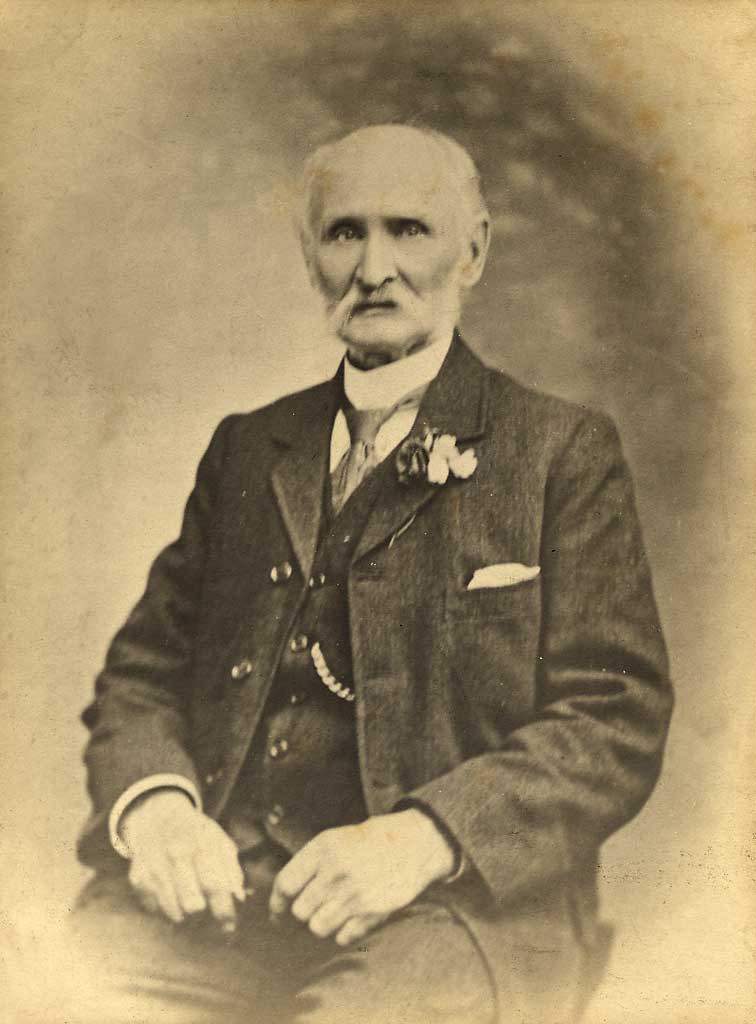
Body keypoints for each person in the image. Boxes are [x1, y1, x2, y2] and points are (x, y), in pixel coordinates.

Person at [74, 124, 673, 1024]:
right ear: (310, 257)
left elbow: (612, 717)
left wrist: (426, 837)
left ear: (473, 253)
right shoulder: (249, 448)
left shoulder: (559, 450)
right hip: (231, 898)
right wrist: (158, 812)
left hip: (456, 904)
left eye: (410, 230)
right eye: (345, 233)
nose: (375, 267)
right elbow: (145, 671)